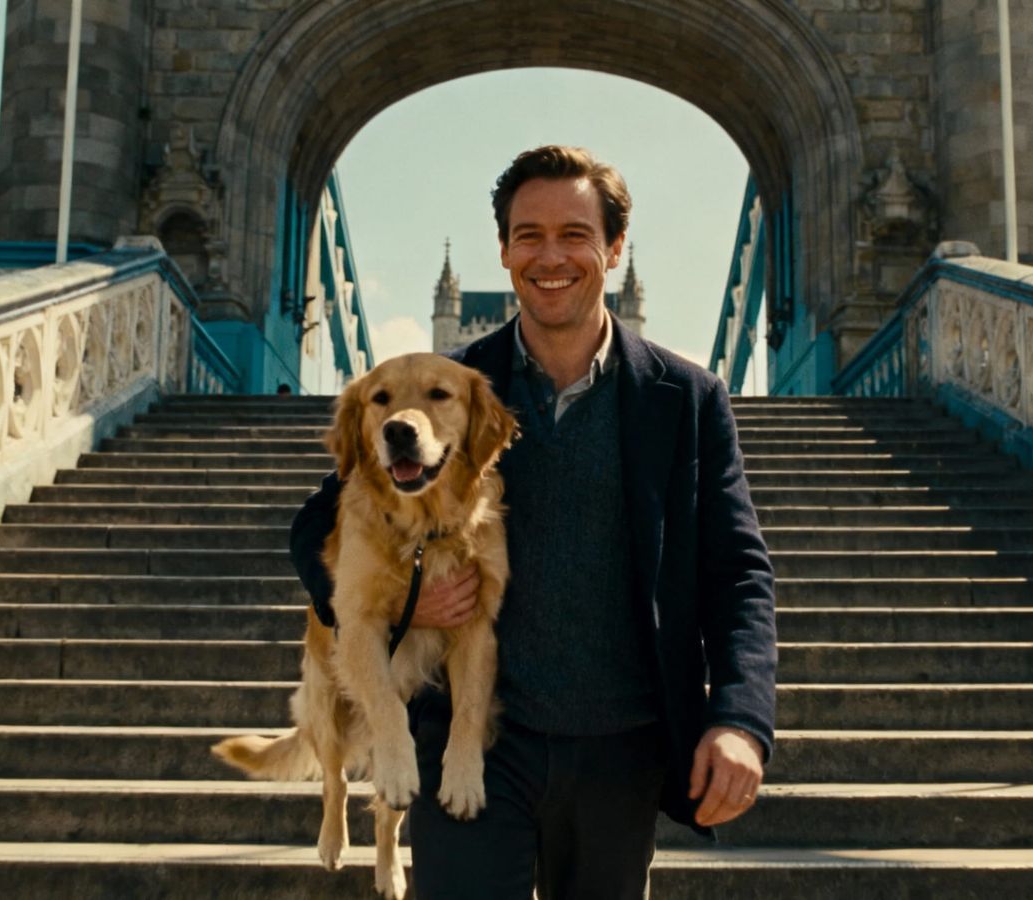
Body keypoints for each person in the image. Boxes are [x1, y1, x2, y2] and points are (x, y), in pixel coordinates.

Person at [289, 145, 776, 899]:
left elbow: (738, 572)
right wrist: (399, 605)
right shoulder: (445, 388)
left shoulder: (688, 398)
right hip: (474, 738)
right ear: (505, 251)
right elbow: (315, 525)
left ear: (614, 250)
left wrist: (740, 718)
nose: (551, 256)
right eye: (529, 235)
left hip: (623, 744)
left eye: (575, 235)